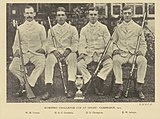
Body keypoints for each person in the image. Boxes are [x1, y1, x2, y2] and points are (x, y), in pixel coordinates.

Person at [41, 7, 79, 100]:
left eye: (62, 15)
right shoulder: (51, 30)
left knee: (73, 58)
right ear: (56, 18)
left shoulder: (72, 29)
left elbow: (76, 43)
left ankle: (70, 87)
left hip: (68, 52)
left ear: (66, 17)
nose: (61, 17)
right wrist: (54, 51)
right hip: (56, 53)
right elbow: (48, 44)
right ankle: (49, 88)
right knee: (49, 60)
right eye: (59, 15)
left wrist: (68, 50)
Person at [9, 5, 46, 97]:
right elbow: (16, 43)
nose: (29, 15)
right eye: (27, 13)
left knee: (42, 64)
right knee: (12, 67)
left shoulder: (40, 27)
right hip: (23, 53)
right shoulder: (20, 28)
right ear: (24, 14)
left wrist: (43, 49)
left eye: (31, 13)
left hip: (36, 53)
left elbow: (45, 42)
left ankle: (28, 84)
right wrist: (16, 51)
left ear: (34, 14)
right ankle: (28, 83)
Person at [112, 5, 147, 99]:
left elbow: (143, 43)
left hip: (133, 54)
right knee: (115, 60)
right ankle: (119, 86)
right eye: (125, 13)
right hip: (121, 53)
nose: (127, 15)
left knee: (143, 61)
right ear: (122, 14)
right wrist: (115, 49)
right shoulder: (118, 28)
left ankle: (139, 87)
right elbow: (113, 41)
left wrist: (141, 51)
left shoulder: (138, 28)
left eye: (129, 13)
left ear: (132, 14)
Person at [77, 7, 113, 96]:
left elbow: (109, 42)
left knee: (110, 63)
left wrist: (108, 53)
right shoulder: (84, 29)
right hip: (88, 54)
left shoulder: (104, 28)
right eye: (91, 15)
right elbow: (81, 44)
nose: (93, 16)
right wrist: (82, 53)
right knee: (79, 64)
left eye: (95, 14)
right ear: (88, 16)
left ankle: (99, 79)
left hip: (101, 54)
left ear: (98, 16)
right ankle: (88, 79)